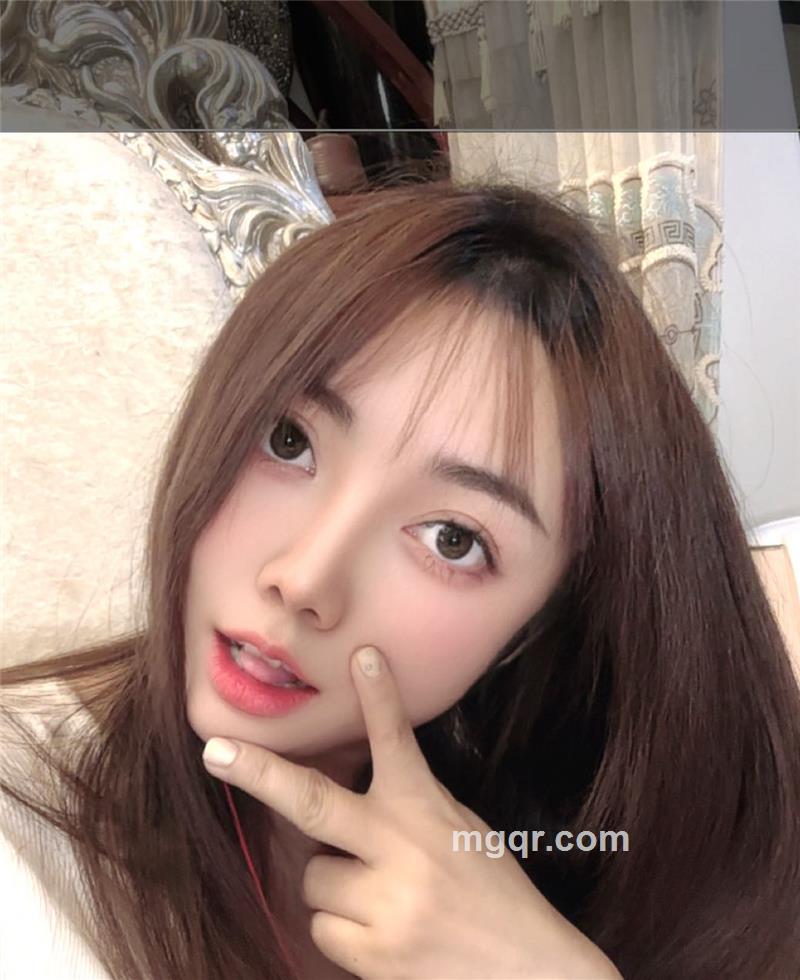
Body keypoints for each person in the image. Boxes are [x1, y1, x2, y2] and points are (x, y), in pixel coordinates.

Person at [1, 179, 798, 980]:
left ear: (540, 625)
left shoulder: (554, 826)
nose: (303, 579)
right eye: (288, 440)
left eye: (453, 539)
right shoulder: (25, 854)